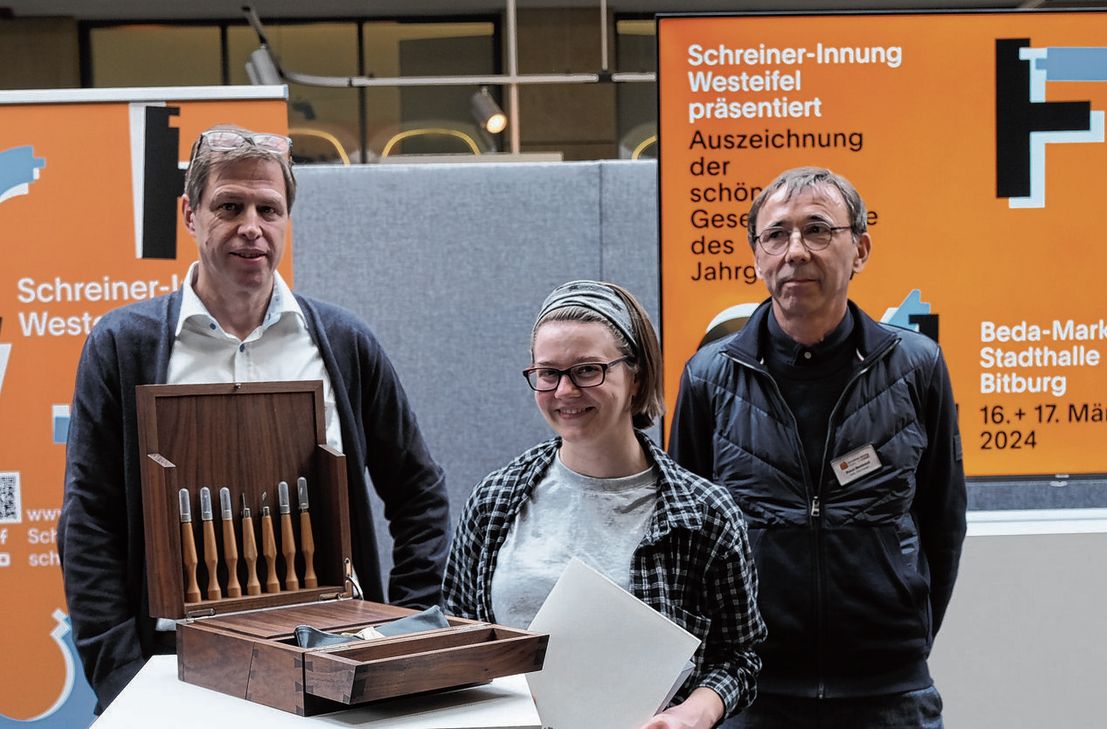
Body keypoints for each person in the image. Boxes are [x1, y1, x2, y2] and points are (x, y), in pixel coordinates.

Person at [58, 125, 450, 711]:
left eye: (269, 208)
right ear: (190, 215)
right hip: (174, 673)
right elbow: (88, 524)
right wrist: (121, 676)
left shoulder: (343, 343)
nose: (251, 227)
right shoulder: (123, 346)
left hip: (332, 665)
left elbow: (419, 493)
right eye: (229, 206)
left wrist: (403, 633)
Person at [669, 166, 967, 728]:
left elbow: (943, 521)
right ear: (757, 255)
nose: (795, 250)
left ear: (860, 249)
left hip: (887, 690)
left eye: (818, 230)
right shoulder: (709, 376)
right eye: (776, 234)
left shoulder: (917, 366)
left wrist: (907, 635)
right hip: (752, 690)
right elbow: (687, 536)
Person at [443, 280, 766, 729]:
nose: (564, 391)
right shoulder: (494, 501)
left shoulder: (704, 513)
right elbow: (458, 638)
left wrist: (694, 713)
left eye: (588, 370)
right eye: (548, 373)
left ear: (635, 376)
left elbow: (740, 657)